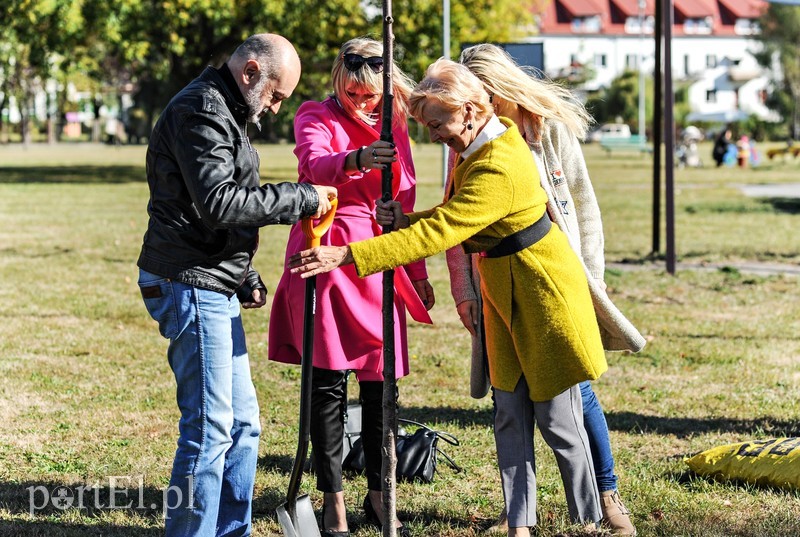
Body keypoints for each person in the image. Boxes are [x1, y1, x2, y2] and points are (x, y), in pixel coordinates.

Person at [288, 58, 608, 537]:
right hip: (504, 291)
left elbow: (445, 229)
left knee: (558, 417)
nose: (434, 136)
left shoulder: (500, 159)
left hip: (543, 295)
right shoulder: (477, 148)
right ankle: (520, 523)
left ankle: (589, 519)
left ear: (471, 110)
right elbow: (451, 215)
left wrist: (348, 255)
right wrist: (406, 220)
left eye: (437, 125)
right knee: (509, 413)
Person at [136, 33, 337, 537]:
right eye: (275, 95)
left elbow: (223, 203)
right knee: (209, 431)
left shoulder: (229, 111)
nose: (273, 107)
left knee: (244, 427)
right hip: (187, 281)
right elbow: (220, 202)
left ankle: (231, 530)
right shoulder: (200, 111)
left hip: (213, 279)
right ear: (251, 71)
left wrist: (243, 274)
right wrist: (302, 197)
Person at [449, 43, 646, 536]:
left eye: (484, 95)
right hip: (496, 284)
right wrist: (464, 291)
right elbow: (452, 216)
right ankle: (520, 513)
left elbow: (583, 202)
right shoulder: (464, 134)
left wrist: (592, 275)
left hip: (555, 278)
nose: (477, 107)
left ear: (501, 88)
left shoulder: (547, 128)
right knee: (508, 401)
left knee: (573, 391)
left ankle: (604, 494)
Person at [268, 37, 432, 537]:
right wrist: (360, 158)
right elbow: (314, 166)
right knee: (327, 387)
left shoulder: (395, 122)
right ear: (340, 79)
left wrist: (418, 273)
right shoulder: (314, 114)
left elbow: (406, 197)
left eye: (371, 95)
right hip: (327, 255)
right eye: (354, 93)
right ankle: (333, 502)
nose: (363, 102)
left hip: (380, 257)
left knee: (382, 386)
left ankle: (382, 498)